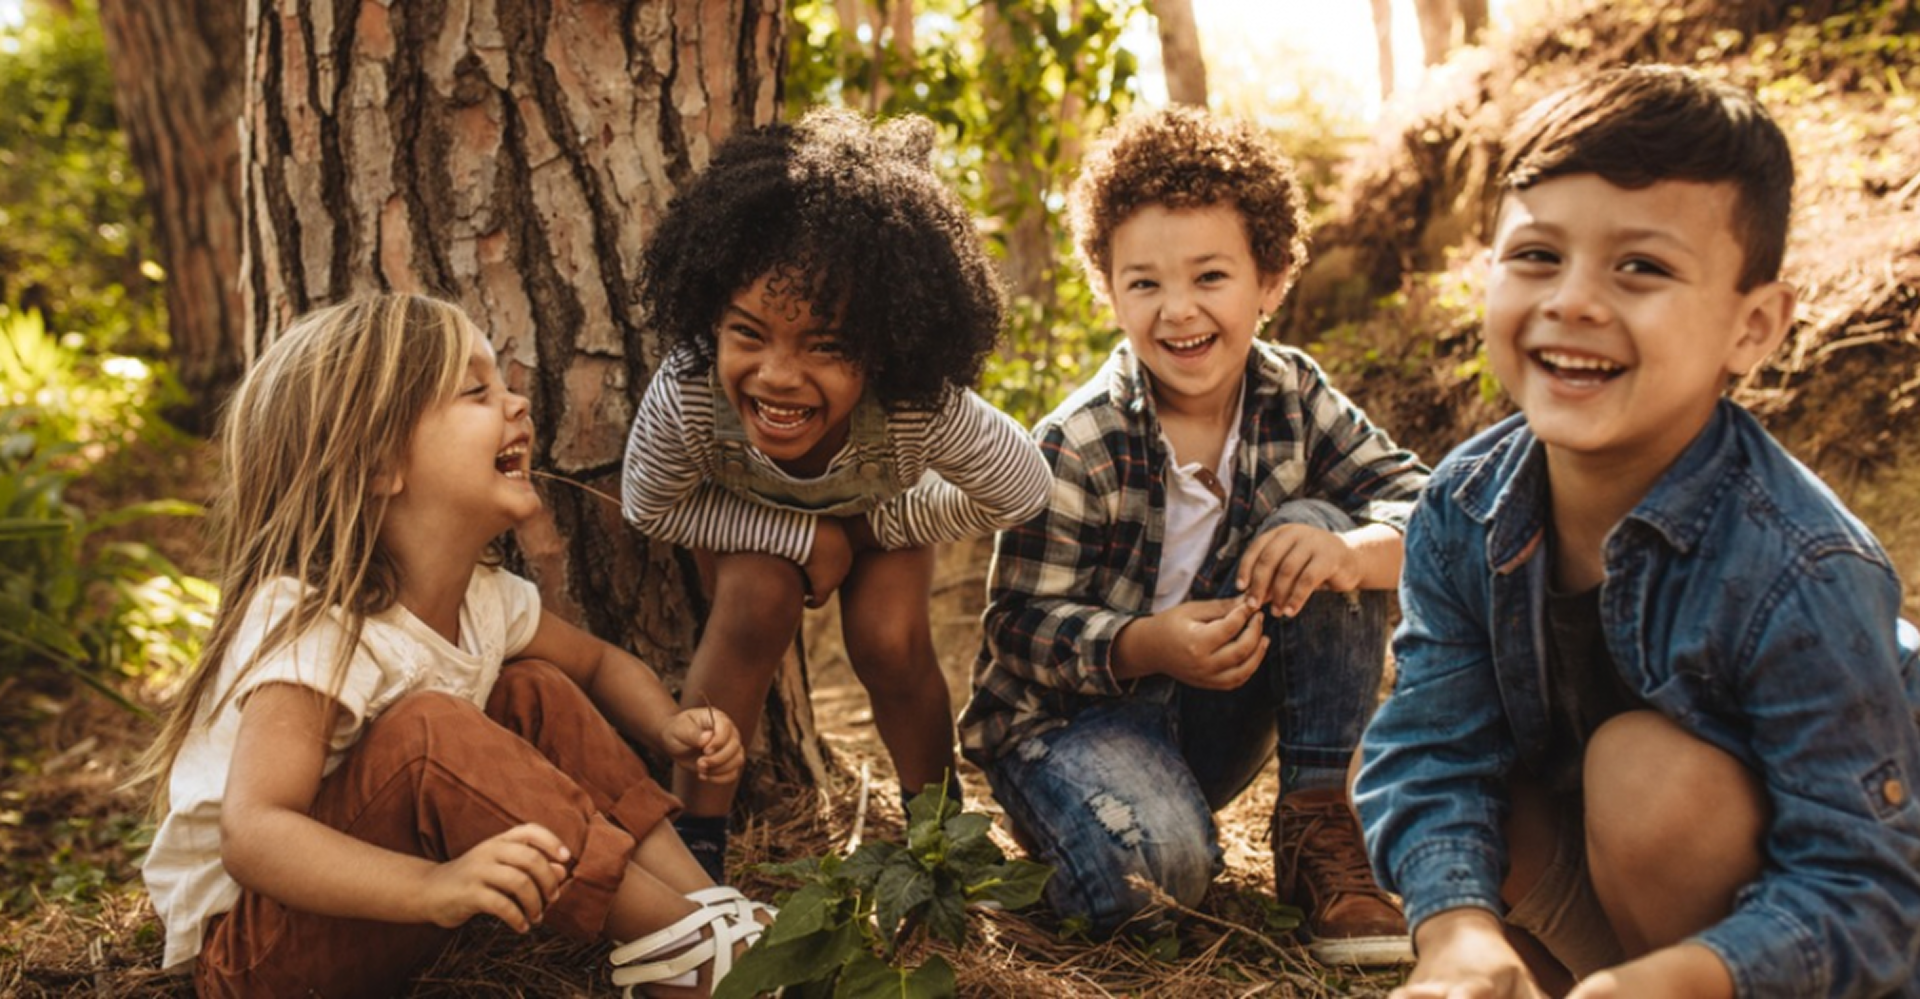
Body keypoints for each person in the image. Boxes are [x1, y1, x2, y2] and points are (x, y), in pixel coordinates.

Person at [1355, 65, 1920, 998]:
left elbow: (1868, 889)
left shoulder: (1801, 565)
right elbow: (1432, 749)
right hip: (1636, 909)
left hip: (1830, 940)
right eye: (1538, 255)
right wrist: (1455, 935)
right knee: (1440, 789)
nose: (1574, 300)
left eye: (1642, 267)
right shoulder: (1464, 502)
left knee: (1646, 778)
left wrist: (1677, 981)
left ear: (1753, 327)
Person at [137, 294, 773, 998]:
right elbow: (255, 833)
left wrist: (666, 723)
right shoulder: (316, 620)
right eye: (477, 391)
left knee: (534, 689)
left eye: (503, 384)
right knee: (427, 730)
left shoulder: (483, 597)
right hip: (260, 953)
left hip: (382, 908)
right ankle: (690, 955)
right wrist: (432, 887)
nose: (517, 404)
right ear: (380, 463)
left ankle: (705, 910)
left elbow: (595, 662)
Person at [958, 105, 1430, 965]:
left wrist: (1353, 552)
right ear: (1109, 290)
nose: (1178, 311)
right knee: (1161, 878)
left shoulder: (1294, 393)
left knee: (1319, 530)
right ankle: (1101, 832)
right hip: (1068, 728)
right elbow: (1017, 628)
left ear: (1272, 279)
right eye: (1144, 283)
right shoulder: (1079, 440)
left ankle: (1319, 819)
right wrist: (1145, 645)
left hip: (1212, 715)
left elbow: (1429, 507)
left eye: (1210, 276)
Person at [620, 107, 1051, 882]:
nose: (779, 375)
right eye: (748, 333)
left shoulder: (917, 403)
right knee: (754, 600)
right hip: (752, 528)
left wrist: (882, 521)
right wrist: (800, 537)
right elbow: (650, 505)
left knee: (889, 639)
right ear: (711, 315)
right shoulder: (688, 391)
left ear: (884, 348)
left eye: (826, 345)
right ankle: (696, 855)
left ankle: (941, 839)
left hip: (881, 520)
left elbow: (1021, 486)